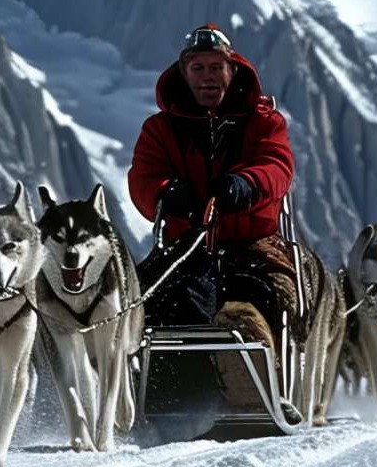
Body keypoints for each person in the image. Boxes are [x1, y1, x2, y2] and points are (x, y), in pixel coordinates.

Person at [127, 24, 296, 328]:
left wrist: (247, 184)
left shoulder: (264, 122)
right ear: (184, 73)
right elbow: (144, 178)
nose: (208, 75)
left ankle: (259, 368)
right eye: (198, 67)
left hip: (253, 244)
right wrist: (167, 192)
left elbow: (276, 164)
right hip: (187, 244)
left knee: (270, 300)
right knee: (144, 300)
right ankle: (158, 372)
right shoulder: (160, 129)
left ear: (232, 71)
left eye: (217, 67)